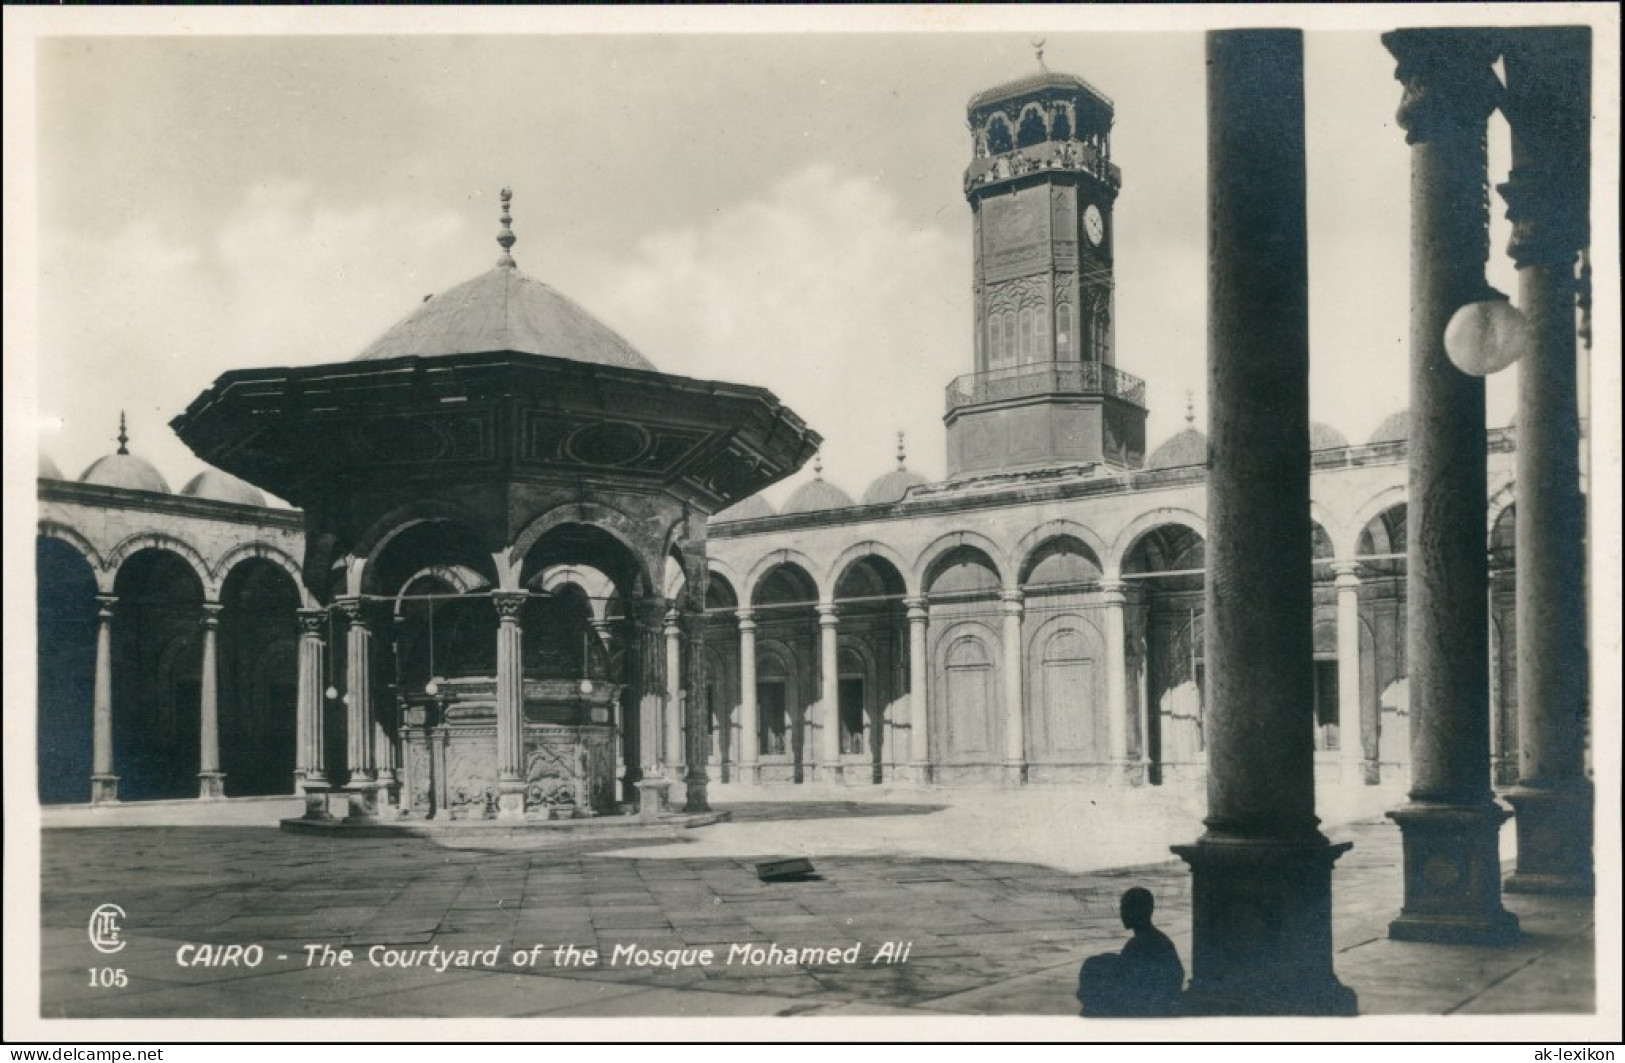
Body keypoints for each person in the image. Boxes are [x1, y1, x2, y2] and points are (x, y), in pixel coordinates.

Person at [1077, 887, 1185, 1017]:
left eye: (1125, 908)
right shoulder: (1157, 939)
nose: (1122, 913)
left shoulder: (1140, 943)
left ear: (1139, 911)